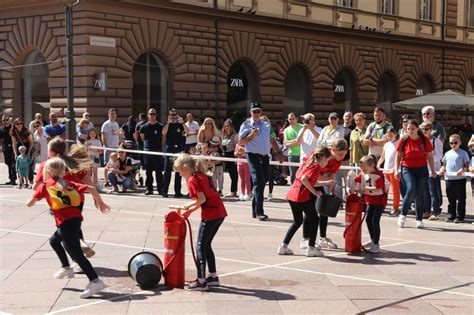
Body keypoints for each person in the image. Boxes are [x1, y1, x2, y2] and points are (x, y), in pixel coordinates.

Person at [26, 158, 108, 299]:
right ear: (63, 171)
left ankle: (95, 281)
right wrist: (100, 202)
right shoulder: (69, 184)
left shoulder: (46, 186)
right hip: (75, 220)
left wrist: (31, 199)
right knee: (54, 241)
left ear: (48, 171)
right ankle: (66, 268)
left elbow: (29, 204)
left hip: (66, 224)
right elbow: (91, 188)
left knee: (77, 255)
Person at [173, 154, 227, 291]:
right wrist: (190, 210)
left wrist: (188, 205)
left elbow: (201, 199)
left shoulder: (192, 180)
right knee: (206, 245)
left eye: (179, 171)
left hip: (211, 214)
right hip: (219, 212)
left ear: (185, 168)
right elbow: (204, 199)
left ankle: (201, 281)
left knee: (200, 247)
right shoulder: (202, 175)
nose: (180, 175)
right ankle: (213, 277)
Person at [278, 146, 333, 257]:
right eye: (327, 160)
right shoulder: (316, 166)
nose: (327, 163)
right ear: (322, 157)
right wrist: (314, 192)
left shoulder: (306, 163)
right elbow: (304, 180)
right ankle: (311, 248)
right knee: (315, 219)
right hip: (301, 196)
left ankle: (283, 246)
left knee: (297, 221)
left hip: (292, 194)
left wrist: (326, 182)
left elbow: (310, 181)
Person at [300, 139, 348, 250]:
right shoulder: (320, 154)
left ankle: (322, 238)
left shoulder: (338, 160)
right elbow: (311, 175)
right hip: (308, 182)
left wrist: (333, 190)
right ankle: (305, 239)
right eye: (340, 154)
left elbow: (332, 174)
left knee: (324, 209)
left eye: (344, 155)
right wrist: (327, 181)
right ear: (332, 150)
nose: (341, 157)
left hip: (319, 181)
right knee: (310, 210)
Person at [238, 102, 283, 221]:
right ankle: (259, 211)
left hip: (264, 156)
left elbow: (272, 139)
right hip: (252, 155)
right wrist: (251, 136)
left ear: (261, 112)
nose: (256, 113)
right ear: (251, 112)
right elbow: (241, 142)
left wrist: (279, 153)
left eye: (258, 111)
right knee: (259, 181)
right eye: (254, 111)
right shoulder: (246, 125)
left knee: (261, 182)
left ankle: (254, 210)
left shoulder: (266, 124)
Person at [394, 119, 436, 229]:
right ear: (405, 129)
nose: (411, 131)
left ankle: (419, 220)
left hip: (422, 169)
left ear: (417, 129)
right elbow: (398, 156)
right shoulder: (403, 140)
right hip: (407, 169)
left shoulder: (424, 140)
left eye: (413, 128)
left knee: (419, 194)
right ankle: (403, 215)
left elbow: (430, 156)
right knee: (411, 189)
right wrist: (396, 170)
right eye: (408, 129)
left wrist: (433, 170)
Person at [351, 155, 388, 253]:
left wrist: (364, 189)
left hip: (379, 201)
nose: (363, 171)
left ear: (372, 165)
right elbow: (355, 179)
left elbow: (378, 188)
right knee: (368, 220)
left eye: (365, 169)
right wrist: (352, 188)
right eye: (362, 169)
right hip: (370, 200)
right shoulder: (364, 174)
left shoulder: (378, 176)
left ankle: (376, 244)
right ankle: (372, 240)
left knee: (375, 221)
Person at [439, 134, 470, 223]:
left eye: (455, 142)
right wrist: (442, 169)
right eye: (451, 143)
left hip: (460, 179)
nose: (453, 144)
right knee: (451, 198)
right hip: (449, 179)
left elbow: (466, 165)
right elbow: (444, 164)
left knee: (461, 198)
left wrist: (462, 169)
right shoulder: (447, 153)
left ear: (459, 142)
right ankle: (451, 215)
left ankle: (460, 216)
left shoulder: (463, 153)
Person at [317, 112, 345, 199]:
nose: (332, 120)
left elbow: (337, 141)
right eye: (331, 118)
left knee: (336, 180)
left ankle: (337, 198)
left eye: (334, 119)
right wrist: (328, 143)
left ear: (338, 120)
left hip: (334, 155)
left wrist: (326, 143)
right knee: (324, 180)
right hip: (324, 155)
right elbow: (319, 141)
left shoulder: (340, 129)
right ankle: (326, 197)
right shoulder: (325, 128)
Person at [420, 122, 443, 220]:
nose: (425, 131)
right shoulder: (420, 141)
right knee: (425, 192)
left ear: (431, 130)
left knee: (433, 192)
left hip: (433, 170)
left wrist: (428, 159)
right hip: (423, 170)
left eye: (427, 129)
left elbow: (439, 155)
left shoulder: (436, 141)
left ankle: (435, 212)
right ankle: (427, 210)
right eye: (423, 129)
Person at [140, 108, 164, 196]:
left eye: (154, 114)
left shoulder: (160, 126)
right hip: (148, 151)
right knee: (148, 172)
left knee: (159, 171)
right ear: (148, 115)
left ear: (156, 115)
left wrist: (158, 145)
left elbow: (163, 137)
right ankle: (149, 189)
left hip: (158, 151)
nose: (152, 116)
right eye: (151, 114)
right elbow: (142, 137)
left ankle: (160, 189)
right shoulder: (144, 127)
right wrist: (147, 147)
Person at [162, 108, 186, 198]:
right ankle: (165, 191)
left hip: (178, 149)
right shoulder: (167, 125)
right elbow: (163, 133)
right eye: (171, 115)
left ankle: (177, 192)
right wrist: (168, 122)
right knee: (167, 171)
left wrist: (182, 122)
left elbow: (187, 131)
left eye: (174, 114)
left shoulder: (180, 125)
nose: (173, 117)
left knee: (178, 171)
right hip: (170, 149)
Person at [376, 127, 400, 216]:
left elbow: (400, 157)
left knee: (395, 190)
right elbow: (382, 157)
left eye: (391, 135)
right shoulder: (386, 145)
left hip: (393, 170)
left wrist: (397, 168)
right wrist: (378, 165)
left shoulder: (398, 144)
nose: (389, 136)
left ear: (395, 134)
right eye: (388, 135)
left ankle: (395, 207)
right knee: (384, 190)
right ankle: (383, 205)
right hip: (386, 170)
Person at [10, 118, 34, 184]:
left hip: (27, 146)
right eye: (17, 124)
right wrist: (15, 153)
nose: (19, 125)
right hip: (18, 147)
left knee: (28, 164)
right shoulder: (13, 132)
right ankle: (21, 180)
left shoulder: (26, 131)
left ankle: (31, 180)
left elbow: (31, 142)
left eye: (21, 123)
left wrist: (29, 152)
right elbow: (14, 143)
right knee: (18, 164)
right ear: (15, 125)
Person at [283, 112, 304, 184]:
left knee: (302, 175)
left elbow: (303, 141)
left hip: (302, 154)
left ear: (297, 119)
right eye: (290, 119)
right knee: (292, 176)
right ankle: (292, 192)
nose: (291, 120)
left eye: (293, 119)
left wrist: (291, 143)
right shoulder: (286, 130)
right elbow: (285, 143)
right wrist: (297, 141)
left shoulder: (303, 127)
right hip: (291, 155)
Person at [221, 119, 239, 197]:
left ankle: (233, 191)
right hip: (226, 155)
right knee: (231, 174)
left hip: (232, 155)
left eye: (228, 126)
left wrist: (236, 158)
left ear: (231, 127)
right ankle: (233, 190)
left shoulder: (234, 136)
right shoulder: (224, 136)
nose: (226, 127)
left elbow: (236, 146)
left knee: (234, 175)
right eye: (225, 126)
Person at [1, 114, 16, 185]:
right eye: (4, 120)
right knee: (8, 163)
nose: (5, 121)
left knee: (13, 163)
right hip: (6, 148)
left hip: (13, 148)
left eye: (7, 120)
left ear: (9, 120)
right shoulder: (2, 129)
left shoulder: (13, 128)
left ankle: (13, 179)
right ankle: (11, 178)